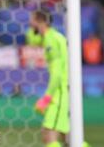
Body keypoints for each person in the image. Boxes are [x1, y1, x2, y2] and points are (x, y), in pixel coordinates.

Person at [30, 10, 69, 147]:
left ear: (40, 21)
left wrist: (47, 98)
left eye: (32, 20)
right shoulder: (56, 36)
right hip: (64, 90)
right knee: (69, 138)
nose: (30, 24)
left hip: (60, 92)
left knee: (49, 134)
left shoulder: (50, 39)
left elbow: (57, 72)